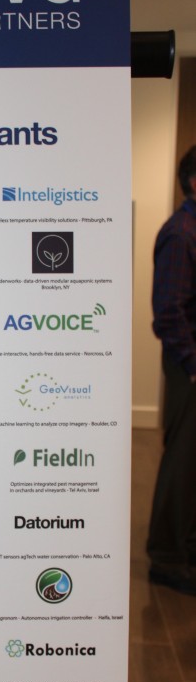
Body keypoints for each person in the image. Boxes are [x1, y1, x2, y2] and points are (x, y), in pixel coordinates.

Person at [147, 145, 196, 594]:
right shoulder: (181, 234)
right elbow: (168, 312)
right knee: (184, 460)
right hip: (189, 365)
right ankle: (166, 558)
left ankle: (188, 547)